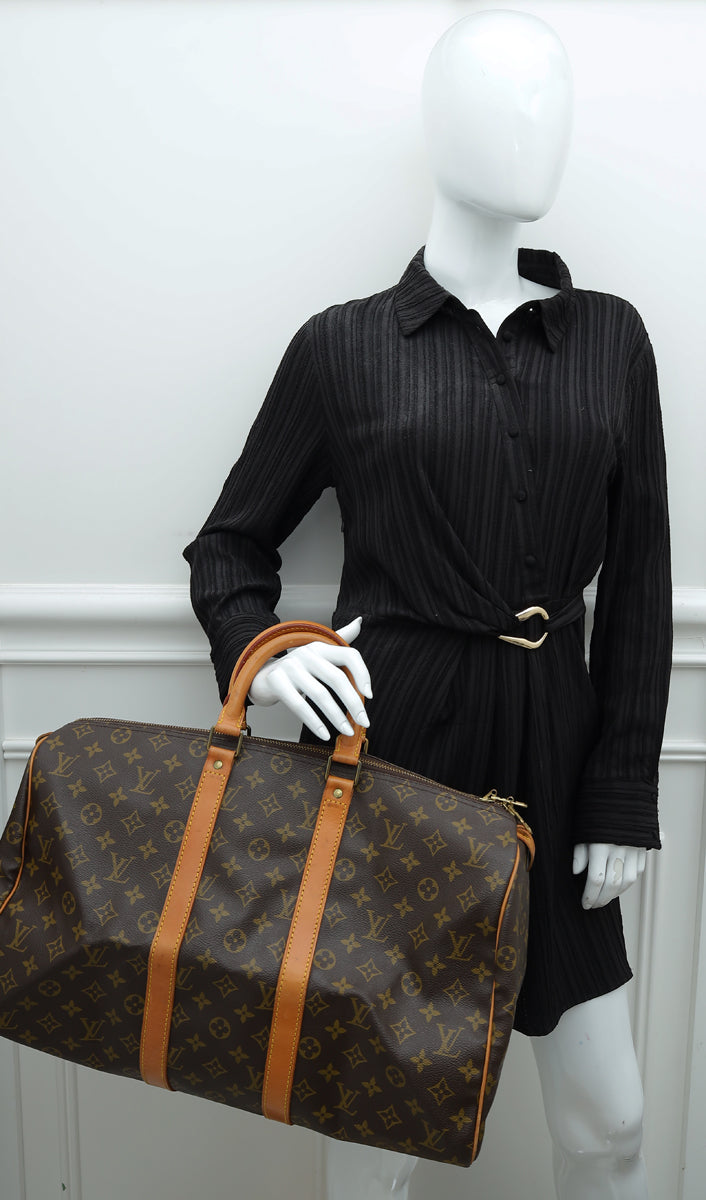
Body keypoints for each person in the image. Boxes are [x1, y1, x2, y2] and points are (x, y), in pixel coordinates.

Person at [183, 11, 671, 1198]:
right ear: (437, 123)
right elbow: (229, 546)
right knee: (376, 1120)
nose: (538, 126)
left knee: (609, 1118)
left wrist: (621, 785)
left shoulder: (610, 339)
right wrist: (265, 652)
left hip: (558, 756)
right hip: (392, 758)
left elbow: (642, 578)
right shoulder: (343, 347)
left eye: (553, 98)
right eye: (506, 98)